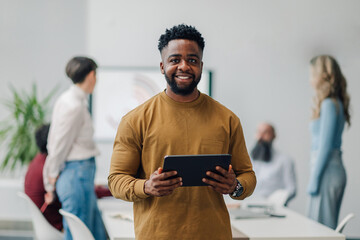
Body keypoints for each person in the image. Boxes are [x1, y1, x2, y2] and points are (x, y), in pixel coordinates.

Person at [108, 24, 256, 240]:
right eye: (175, 60)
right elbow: (116, 180)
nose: (184, 66)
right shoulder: (135, 120)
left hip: (214, 234)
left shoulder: (227, 119)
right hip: (157, 235)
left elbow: (248, 176)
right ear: (162, 66)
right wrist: (147, 187)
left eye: (192, 60)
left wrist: (235, 186)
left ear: (201, 66)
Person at [43, 57, 107, 240]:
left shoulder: (72, 100)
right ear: (91, 75)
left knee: (92, 232)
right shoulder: (74, 105)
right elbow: (58, 145)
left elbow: (56, 142)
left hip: (78, 174)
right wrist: (51, 178)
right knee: (80, 233)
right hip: (76, 174)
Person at [307, 55, 350, 229]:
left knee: (320, 230)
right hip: (329, 169)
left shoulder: (329, 104)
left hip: (327, 171)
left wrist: (314, 180)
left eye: (312, 75)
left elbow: (325, 146)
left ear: (322, 75)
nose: (310, 80)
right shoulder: (334, 103)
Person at [24, 124, 63, 231]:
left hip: (44, 225)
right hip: (55, 226)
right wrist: (109, 190)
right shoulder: (48, 170)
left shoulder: (37, 162)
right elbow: (69, 192)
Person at [250, 123, 296, 205]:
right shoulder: (248, 160)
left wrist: (275, 200)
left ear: (274, 136)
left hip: (273, 208)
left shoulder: (285, 160)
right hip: (249, 205)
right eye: (258, 132)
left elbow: (291, 189)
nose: (260, 137)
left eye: (265, 133)